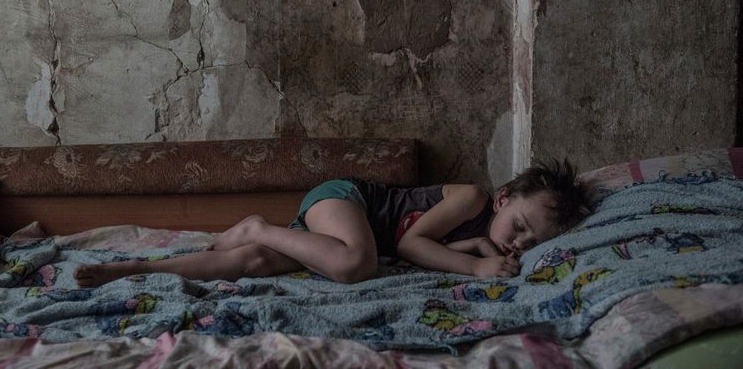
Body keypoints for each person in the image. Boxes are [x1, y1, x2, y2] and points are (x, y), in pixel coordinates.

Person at [74, 159, 592, 287]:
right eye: (519, 224)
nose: (519, 241)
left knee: (251, 264)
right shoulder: (472, 197)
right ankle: (257, 225)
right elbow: (411, 244)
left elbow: (425, 252)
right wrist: (475, 267)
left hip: (343, 234)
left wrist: (478, 249)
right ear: (503, 198)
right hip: (347, 200)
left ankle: (137, 269)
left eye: (532, 241)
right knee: (356, 265)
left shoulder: (485, 236)